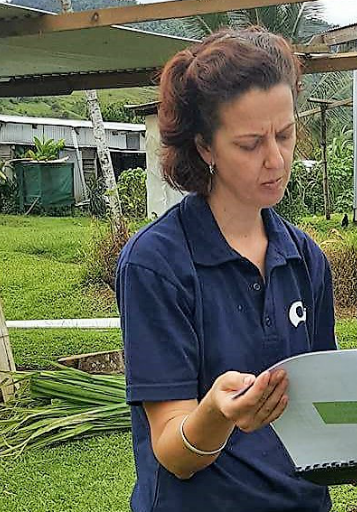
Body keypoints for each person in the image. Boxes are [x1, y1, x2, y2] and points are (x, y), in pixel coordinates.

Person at [116, 28, 336, 512]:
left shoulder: (305, 259)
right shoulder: (156, 265)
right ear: (205, 147)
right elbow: (172, 452)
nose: (276, 159)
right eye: (250, 143)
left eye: (284, 134)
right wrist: (216, 412)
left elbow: (321, 409)